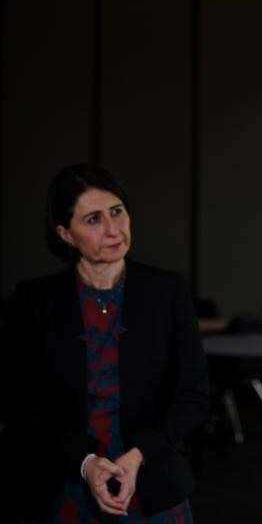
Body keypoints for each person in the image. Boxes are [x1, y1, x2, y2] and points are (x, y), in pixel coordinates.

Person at [2, 164, 209, 522]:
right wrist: (85, 462)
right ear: (66, 234)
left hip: (153, 483)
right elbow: (22, 406)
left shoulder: (167, 291)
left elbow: (193, 398)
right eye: (93, 220)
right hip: (63, 486)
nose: (113, 230)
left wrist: (139, 453)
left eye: (117, 212)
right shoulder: (34, 301)